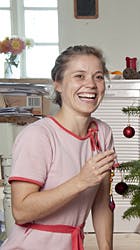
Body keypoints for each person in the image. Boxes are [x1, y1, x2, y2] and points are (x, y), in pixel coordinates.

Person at [1, 45, 116, 250]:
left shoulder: (102, 133)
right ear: (58, 84)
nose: (91, 84)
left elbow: (101, 203)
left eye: (98, 77)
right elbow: (21, 211)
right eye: (79, 76)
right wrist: (81, 181)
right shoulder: (38, 136)